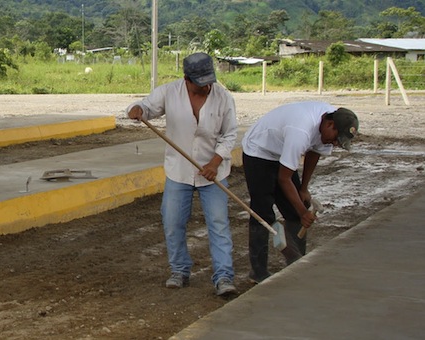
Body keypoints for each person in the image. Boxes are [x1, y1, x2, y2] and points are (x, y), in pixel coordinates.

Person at [126, 52, 239, 296]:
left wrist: (215, 162)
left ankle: (224, 277)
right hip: (179, 170)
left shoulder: (223, 97)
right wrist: (136, 109)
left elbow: (230, 134)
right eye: (200, 83)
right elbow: (146, 107)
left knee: (219, 225)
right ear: (186, 79)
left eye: (209, 81)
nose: (206, 87)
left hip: (214, 173)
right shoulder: (169, 92)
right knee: (172, 221)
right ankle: (179, 270)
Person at [241, 101, 358, 283]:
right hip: (259, 150)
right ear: (329, 125)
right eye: (336, 138)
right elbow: (283, 178)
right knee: (262, 212)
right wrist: (304, 213)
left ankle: (296, 263)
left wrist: (303, 188)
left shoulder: (329, 124)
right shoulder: (301, 130)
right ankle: (258, 272)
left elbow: (315, 151)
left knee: (296, 208)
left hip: (282, 151)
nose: (335, 144)